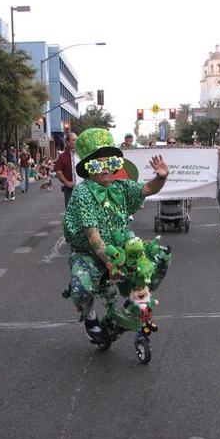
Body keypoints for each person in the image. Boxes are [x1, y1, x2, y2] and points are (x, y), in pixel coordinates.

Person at [63, 128, 169, 342]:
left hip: (121, 248)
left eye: (109, 163)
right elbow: (93, 237)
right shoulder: (83, 193)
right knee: (81, 289)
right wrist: (110, 264)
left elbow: (148, 188)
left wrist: (161, 177)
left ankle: (127, 315)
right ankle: (90, 318)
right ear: (87, 167)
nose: (105, 169)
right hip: (90, 254)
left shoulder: (120, 187)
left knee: (158, 261)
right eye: (97, 163)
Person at [54, 133, 77, 207]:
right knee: (70, 211)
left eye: (77, 139)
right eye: (73, 140)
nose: (76, 141)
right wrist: (67, 183)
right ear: (68, 142)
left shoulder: (82, 155)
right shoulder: (62, 157)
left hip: (83, 188)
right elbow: (58, 172)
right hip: (69, 189)